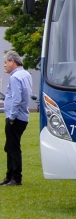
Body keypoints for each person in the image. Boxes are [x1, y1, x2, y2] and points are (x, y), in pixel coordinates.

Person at [3, 51, 32, 187]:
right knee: (10, 146)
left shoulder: (15, 78)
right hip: (23, 116)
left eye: (6, 62)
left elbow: (16, 99)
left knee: (13, 148)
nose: (4, 65)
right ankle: (9, 176)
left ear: (12, 62)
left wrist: (12, 117)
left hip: (15, 117)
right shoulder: (26, 74)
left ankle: (15, 178)